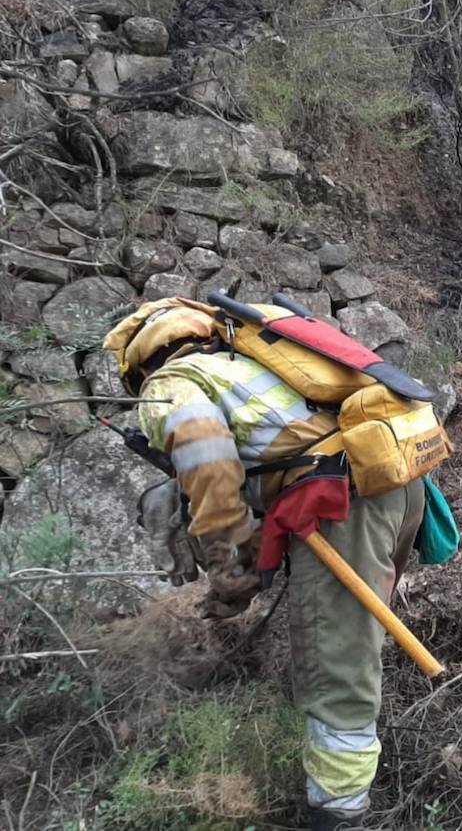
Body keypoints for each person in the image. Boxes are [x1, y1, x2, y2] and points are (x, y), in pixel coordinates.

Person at [103, 299, 426, 831]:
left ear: (138, 366)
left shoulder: (172, 386)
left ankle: (340, 811)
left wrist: (231, 577)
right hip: (394, 481)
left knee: (335, 665)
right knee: (352, 638)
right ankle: (356, 740)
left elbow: (210, 472)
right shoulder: (249, 361)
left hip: (339, 504)